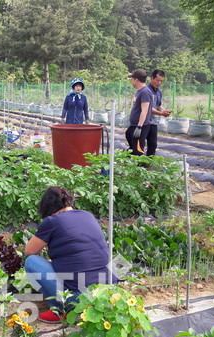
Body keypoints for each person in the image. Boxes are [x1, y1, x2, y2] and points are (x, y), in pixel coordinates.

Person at [24, 186, 116, 324]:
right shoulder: (87, 215)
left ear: (47, 207)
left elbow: (29, 250)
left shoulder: (52, 222)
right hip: (107, 292)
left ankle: (60, 309)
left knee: (31, 261)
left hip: (81, 297)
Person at [125, 69, 153, 156]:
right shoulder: (140, 92)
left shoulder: (145, 92)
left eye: (132, 79)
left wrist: (139, 127)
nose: (131, 81)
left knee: (138, 150)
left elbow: (144, 110)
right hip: (134, 125)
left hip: (140, 126)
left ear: (136, 80)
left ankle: (142, 167)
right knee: (128, 136)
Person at [146, 69, 171, 156]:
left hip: (152, 122)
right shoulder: (146, 91)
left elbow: (158, 105)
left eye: (161, 81)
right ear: (152, 78)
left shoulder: (159, 92)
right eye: (157, 80)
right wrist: (161, 114)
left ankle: (147, 165)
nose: (159, 83)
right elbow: (148, 108)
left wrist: (164, 111)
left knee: (153, 145)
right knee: (138, 145)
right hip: (143, 122)